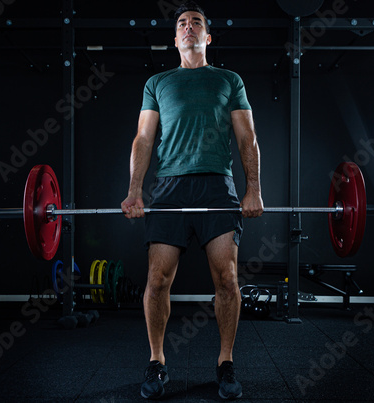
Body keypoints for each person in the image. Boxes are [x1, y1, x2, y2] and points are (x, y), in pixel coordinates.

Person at [121, 1, 263, 400]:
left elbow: (247, 138)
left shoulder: (228, 80)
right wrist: (135, 189)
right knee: (157, 279)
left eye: (195, 22)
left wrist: (253, 189)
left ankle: (225, 363)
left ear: (208, 36)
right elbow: (144, 139)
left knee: (227, 279)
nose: (187, 27)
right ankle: (156, 362)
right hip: (168, 188)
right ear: (175, 37)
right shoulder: (158, 83)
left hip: (217, 185)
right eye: (181, 23)